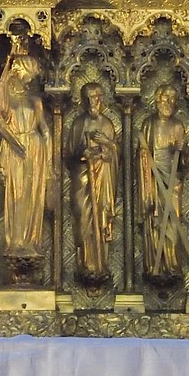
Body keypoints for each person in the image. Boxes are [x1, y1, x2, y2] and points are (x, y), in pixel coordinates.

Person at [0, 43, 51, 274]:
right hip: (15, 149)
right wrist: (7, 63)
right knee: (16, 196)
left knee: (33, 197)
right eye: (26, 78)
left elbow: (45, 131)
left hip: (35, 149)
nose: (28, 83)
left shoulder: (35, 101)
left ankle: (31, 240)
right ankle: (16, 241)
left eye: (31, 80)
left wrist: (50, 164)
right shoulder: (8, 98)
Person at [138, 84, 189, 284]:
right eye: (165, 97)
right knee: (154, 222)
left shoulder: (177, 126)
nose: (168, 102)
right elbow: (141, 151)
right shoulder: (148, 124)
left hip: (172, 178)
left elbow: (185, 160)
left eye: (172, 99)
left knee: (172, 221)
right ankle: (155, 264)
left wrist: (182, 150)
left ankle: (172, 263)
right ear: (157, 99)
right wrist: (145, 157)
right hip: (152, 177)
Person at [69, 82, 120, 284]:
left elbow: (116, 154)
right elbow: (69, 154)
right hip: (83, 178)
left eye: (97, 97)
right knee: (83, 217)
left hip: (103, 179)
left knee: (101, 217)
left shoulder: (107, 124)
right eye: (89, 98)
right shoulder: (78, 123)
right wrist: (83, 154)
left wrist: (106, 145)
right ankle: (86, 262)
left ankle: (100, 262)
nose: (94, 102)